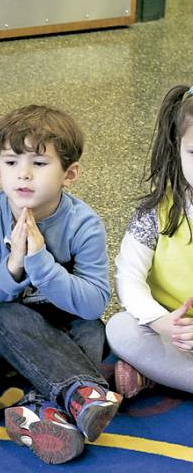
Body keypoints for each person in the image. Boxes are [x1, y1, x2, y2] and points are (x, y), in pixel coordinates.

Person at [0, 105, 122, 464]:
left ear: (70, 173)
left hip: (64, 320)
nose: (23, 175)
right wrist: (16, 265)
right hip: (7, 326)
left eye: (38, 163)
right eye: (11, 163)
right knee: (5, 316)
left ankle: (38, 409)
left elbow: (94, 303)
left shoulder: (85, 224)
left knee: (92, 331)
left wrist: (40, 261)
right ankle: (83, 391)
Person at [106, 85, 193, 398]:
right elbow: (129, 278)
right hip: (169, 330)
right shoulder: (156, 211)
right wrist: (162, 322)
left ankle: (154, 375)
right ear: (177, 149)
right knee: (118, 328)